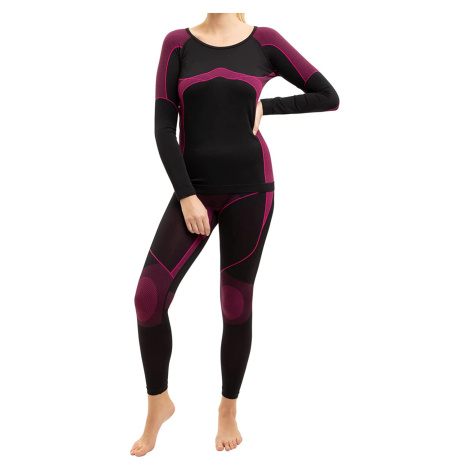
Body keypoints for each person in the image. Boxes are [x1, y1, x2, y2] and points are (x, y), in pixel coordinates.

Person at [130, 13, 340, 456]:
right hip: (193, 192)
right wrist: (186, 195)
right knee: (148, 298)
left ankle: (228, 408)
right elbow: (163, 128)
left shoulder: (266, 41)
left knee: (235, 302)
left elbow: (328, 95)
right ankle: (158, 404)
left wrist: (268, 107)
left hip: (252, 190)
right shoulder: (177, 43)